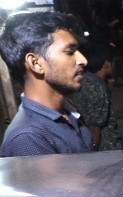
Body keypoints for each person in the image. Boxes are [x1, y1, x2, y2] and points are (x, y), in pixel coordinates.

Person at [0, 11, 92, 157]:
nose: (83, 60)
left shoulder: (68, 112)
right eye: (69, 52)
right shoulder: (28, 138)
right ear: (36, 63)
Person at [67, 41, 123, 151]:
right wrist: (92, 157)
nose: (116, 66)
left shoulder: (83, 79)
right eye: (114, 63)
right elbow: (95, 130)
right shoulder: (98, 87)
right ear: (107, 65)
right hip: (105, 152)